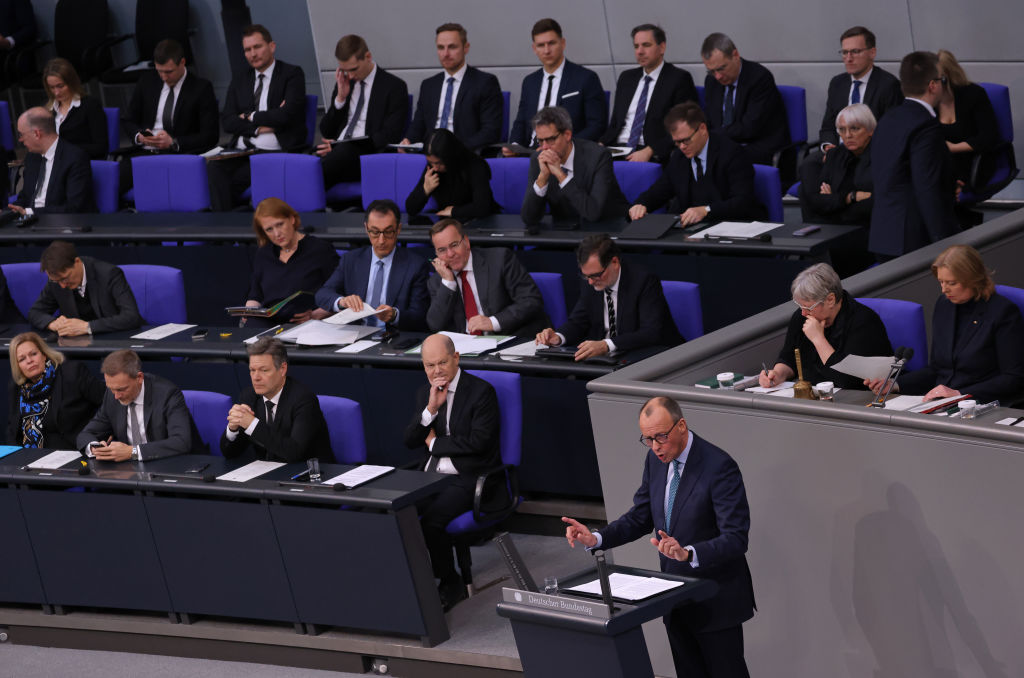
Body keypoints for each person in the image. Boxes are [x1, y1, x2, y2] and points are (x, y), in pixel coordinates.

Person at [562, 396, 754, 677]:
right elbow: (640, 517)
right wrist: (597, 538)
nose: (655, 447)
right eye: (648, 439)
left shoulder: (719, 467)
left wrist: (689, 553)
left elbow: (736, 539)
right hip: (675, 598)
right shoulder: (656, 462)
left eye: (661, 437)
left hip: (716, 600)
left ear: (682, 426)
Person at [403, 333, 500, 611]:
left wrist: (434, 443)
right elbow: (409, 441)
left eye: (442, 363)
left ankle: (450, 581)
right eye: (429, 365)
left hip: (468, 477)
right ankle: (413, 581)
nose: (436, 371)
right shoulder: (425, 393)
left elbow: (479, 443)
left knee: (431, 521)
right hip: (430, 476)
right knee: (397, 511)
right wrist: (430, 409)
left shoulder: (481, 392)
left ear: (456, 358)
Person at [868, 245, 1024, 404]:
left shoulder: (1002, 312)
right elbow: (937, 369)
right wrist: (896, 384)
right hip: (941, 402)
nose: (944, 290)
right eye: (941, 282)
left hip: (982, 403)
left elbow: (1013, 378)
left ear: (973, 279)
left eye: (951, 283)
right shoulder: (945, 305)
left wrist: (959, 393)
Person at [868, 51, 959, 259]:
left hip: (883, 233)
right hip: (916, 239)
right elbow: (927, 186)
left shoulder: (887, 119)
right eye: (943, 80)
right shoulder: (925, 126)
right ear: (933, 85)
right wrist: (944, 243)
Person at [535, 234, 682, 360]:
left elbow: (650, 333)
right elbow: (578, 322)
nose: (591, 281)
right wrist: (558, 337)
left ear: (615, 262)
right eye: (586, 276)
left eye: (596, 275)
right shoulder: (590, 281)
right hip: (609, 361)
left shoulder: (643, 281)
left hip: (650, 356)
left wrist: (607, 345)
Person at [209, 24, 306, 211]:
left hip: (270, 152)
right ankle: (228, 228)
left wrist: (248, 116)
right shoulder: (240, 78)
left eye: (257, 47)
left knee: (229, 185)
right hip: (239, 151)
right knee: (212, 170)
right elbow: (228, 121)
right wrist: (258, 127)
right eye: (247, 49)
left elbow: (286, 116)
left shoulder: (291, 74)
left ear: (272, 46)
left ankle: (229, 231)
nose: (253, 54)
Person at [760, 263, 892, 391]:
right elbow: (789, 358)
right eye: (801, 307)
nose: (803, 313)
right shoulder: (802, 317)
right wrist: (777, 374)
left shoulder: (864, 321)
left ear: (830, 300)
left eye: (808, 307)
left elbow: (847, 381)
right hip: (812, 396)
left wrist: (818, 339)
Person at [630, 103, 764, 226]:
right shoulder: (679, 158)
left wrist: (706, 210)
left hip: (731, 228)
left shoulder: (732, 153)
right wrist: (641, 205)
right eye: (677, 142)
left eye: (686, 140)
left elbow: (742, 201)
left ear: (702, 129)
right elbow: (660, 190)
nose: (682, 147)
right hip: (692, 232)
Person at [120, 39, 219, 192]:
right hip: (145, 152)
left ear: (182, 63)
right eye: (160, 71)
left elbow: (210, 135)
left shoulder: (201, 88)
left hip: (179, 154)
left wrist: (173, 142)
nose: (164, 77)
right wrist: (139, 136)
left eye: (169, 72)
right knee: (113, 181)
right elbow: (128, 119)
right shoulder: (147, 82)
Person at [315, 199, 431, 330]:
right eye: (375, 232)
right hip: (355, 335)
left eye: (388, 232)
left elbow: (420, 316)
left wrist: (394, 315)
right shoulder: (351, 260)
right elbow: (323, 294)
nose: (381, 241)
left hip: (393, 338)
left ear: (398, 229)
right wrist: (342, 301)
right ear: (366, 228)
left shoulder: (415, 265)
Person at [426, 218, 547, 336]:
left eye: (454, 245)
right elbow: (435, 325)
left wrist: (493, 322)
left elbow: (531, 300)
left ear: (466, 242)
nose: (450, 254)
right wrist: (448, 283)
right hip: (468, 349)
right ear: (436, 255)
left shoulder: (500, 259)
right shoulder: (438, 281)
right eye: (442, 250)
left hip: (510, 338)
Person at [316, 34, 409, 187]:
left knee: (338, 155)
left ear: (368, 56)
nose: (351, 76)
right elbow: (326, 131)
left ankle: (296, 200)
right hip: (337, 153)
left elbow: (390, 134)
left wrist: (342, 146)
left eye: (354, 69)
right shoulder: (346, 83)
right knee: (305, 161)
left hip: (368, 155)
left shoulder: (394, 87)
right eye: (345, 70)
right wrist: (340, 99)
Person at [220, 337, 332, 463]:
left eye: (264, 370)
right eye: (252, 370)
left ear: (282, 369)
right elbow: (230, 453)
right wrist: (232, 429)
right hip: (267, 476)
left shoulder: (303, 400)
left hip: (309, 474)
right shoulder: (249, 397)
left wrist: (252, 424)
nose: (256, 377)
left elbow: (294, 452)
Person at [77, 349, 202, 461]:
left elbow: (181, 442)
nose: (116, 396)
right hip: (131, 473)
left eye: (121, 389)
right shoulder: (112, 396)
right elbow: (85, 434)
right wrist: (95, 447)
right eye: (111, 389)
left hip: (172, 466)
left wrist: (133, 452)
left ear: (139, 378)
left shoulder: (167, 394)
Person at [600, 23, 698, 163]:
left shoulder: (678, 78)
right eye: (636, 46)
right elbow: (615, 124)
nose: (640, 51)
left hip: (650, 150)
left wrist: (651, 150)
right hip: (617, 148)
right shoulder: (626, 78)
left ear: (662, 47)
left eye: (646, 45)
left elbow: (684, 126)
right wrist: (600, 145)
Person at [506, 18, 606, 149]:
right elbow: (520, 123)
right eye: (541, 45)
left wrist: (563, 146)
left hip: (567, 152)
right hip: (531, 153)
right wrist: (514, 146)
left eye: (551, 43)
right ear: (534, 48)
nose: (547, 51)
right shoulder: (529, 82)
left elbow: (597, 126)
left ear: (562, 43)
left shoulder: (586, 78)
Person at [401, 23, 503, 151]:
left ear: (466, 48)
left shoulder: (485, 82)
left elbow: (491, 131)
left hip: (465, 155)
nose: (446, 54)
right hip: (430, 156)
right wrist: (408, 140)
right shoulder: (429, 85)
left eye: (452, 47)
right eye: (440, 48)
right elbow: (418, 125)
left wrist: (455, 149)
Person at [521, 106, 629, 225]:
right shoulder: (538, 160)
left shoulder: (598, 157)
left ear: (567, 135)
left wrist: (560, 175)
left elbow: (592, 213)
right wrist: (542, 179)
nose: (545, 147)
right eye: (540, 141)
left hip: (605, 229)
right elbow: (528, 219)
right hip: (564, 233)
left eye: (551, 139)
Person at [245, 197, 339, 327]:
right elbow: (255, 295)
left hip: (310, 321)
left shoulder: (320, 249)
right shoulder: (263, 254)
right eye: (269, 229)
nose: (277, 233)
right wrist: (249, 311)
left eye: (280, 224)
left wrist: (316, 315)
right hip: (271, 322)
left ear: (292, 219)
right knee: (252, 325)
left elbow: (340, 291)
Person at [700, 32, 789, 166]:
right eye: (712, 71)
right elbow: (710, 120)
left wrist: (711, 137)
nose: (717, 76)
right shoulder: (712, 81)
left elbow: (749, 128)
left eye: (721, 68)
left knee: (720, 159)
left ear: (735, 55)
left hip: (758, 145)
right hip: (726, 144)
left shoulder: (759, 78)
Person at [7, 332, 105, 449]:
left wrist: (102, 435)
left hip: (71, 453)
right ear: (17, 365)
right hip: (29, 457)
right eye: (22, 359)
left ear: (44, 354)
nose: (29, 361)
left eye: (33, 354)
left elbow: (109, 401)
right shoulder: (17, 388)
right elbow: (12, 430)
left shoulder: (72, 374)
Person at [28, 241, 142, 337]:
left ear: (77, 262)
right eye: (57, 281)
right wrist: (52, 323)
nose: (62, 286)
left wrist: (87, 327)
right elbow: (35, 312)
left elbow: (131, 317)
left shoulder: (109, 274)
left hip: (114, 339)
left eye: (65, 278)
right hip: (78, 346)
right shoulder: (55, 281)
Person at [817, 26, 902, 153]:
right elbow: (828, 127)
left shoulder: (888, 85)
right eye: (845, 52)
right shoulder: (837, 83)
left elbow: (890, 131)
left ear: (872, 53)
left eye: (855, 52)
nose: (849, 58)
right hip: (839, 151)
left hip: (870, 152)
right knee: (809, 165)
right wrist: (829, 147)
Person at [799, 103, 876, 226]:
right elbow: (819, 201)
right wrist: (851, 197)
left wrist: (835, 201)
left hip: (868, 227)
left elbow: (874, 204)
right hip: (837, 226)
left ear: (870, 130)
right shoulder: (834, 154)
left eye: (854, 128)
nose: (847, 135)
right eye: (842, 129)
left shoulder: (883, 156)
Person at [9, 107, 95, 214]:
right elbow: (26, 196)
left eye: (21, 135)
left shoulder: (75, 158)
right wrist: (10, 211)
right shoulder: (32, 157)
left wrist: (29, 212)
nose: (20, 140)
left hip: (62, 224)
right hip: (30, 222)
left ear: (37, 134)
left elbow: (74, 208)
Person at [936, 50, 1000, 188]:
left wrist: (953, 148)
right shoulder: (931, 101)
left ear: (946, 78)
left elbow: (989, 136)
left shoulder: (974, 95)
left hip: (974, 159)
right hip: (943, 161)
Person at [406, 128, 499, 220]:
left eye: (439, 163)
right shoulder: (433, 168)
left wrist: (454, 211)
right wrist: (425, 190)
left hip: (478, 223)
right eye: (430, 162)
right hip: (448, 222)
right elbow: (411, 209)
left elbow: (483, 207)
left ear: (449, 156)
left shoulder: (476, 165)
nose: (435, 167)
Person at [42, 58, 107, 160]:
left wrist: (64, 151)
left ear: (72, 82)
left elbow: (100, 147)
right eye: (52, 87)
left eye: (60, 86)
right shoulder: (47, 110)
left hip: (80, 165)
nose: (56, 92)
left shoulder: (90, 105)